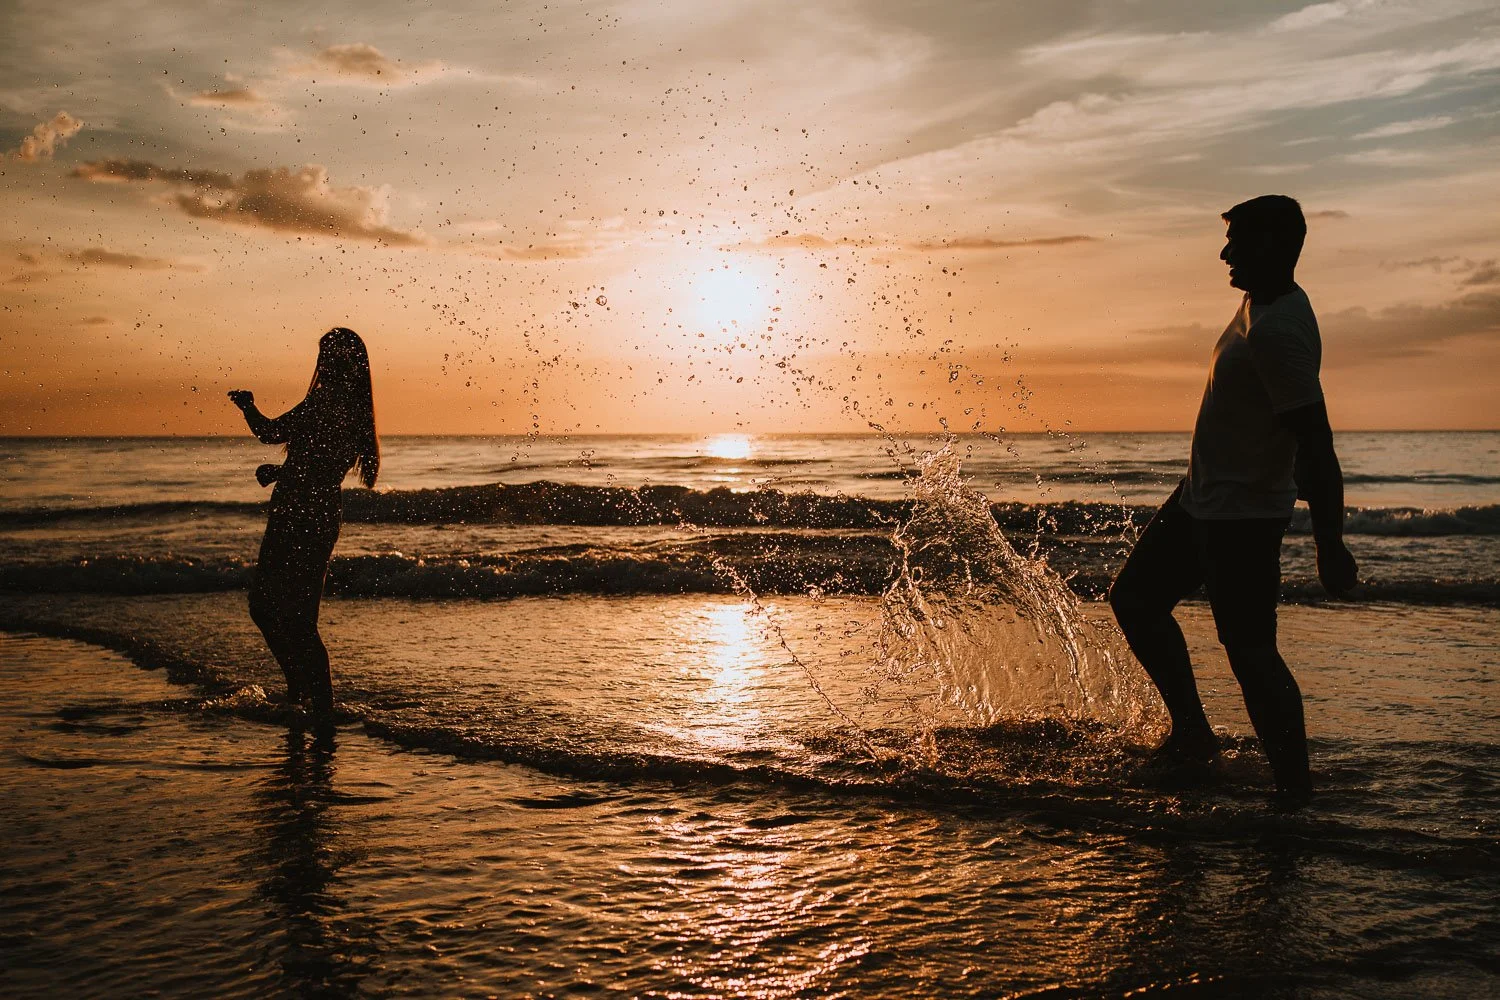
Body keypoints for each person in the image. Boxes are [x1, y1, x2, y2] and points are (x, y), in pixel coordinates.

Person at [1108, 195, 1358, 800]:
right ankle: (1193, 734)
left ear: (1273, 245)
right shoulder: (1262, 303)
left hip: (1241, 517)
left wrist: (1330, 543)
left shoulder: (1277, 333)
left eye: (1238, 240)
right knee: (1136, 601)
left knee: (1250, 652)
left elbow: (1317, 446)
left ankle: (1295, 793)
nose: (1225, 252)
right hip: (1201, 499)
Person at [228, 327, 379, 717]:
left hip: (301, 515)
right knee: (290, 614)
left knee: (279, 612)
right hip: (314, 509)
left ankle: (316, 703)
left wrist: (248, 407)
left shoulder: (328, 402)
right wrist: (282, 472)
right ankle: (303, 693)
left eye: (327, 355)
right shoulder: (354, 409)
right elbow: (322, 468)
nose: (323, 362)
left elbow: (271, 432)